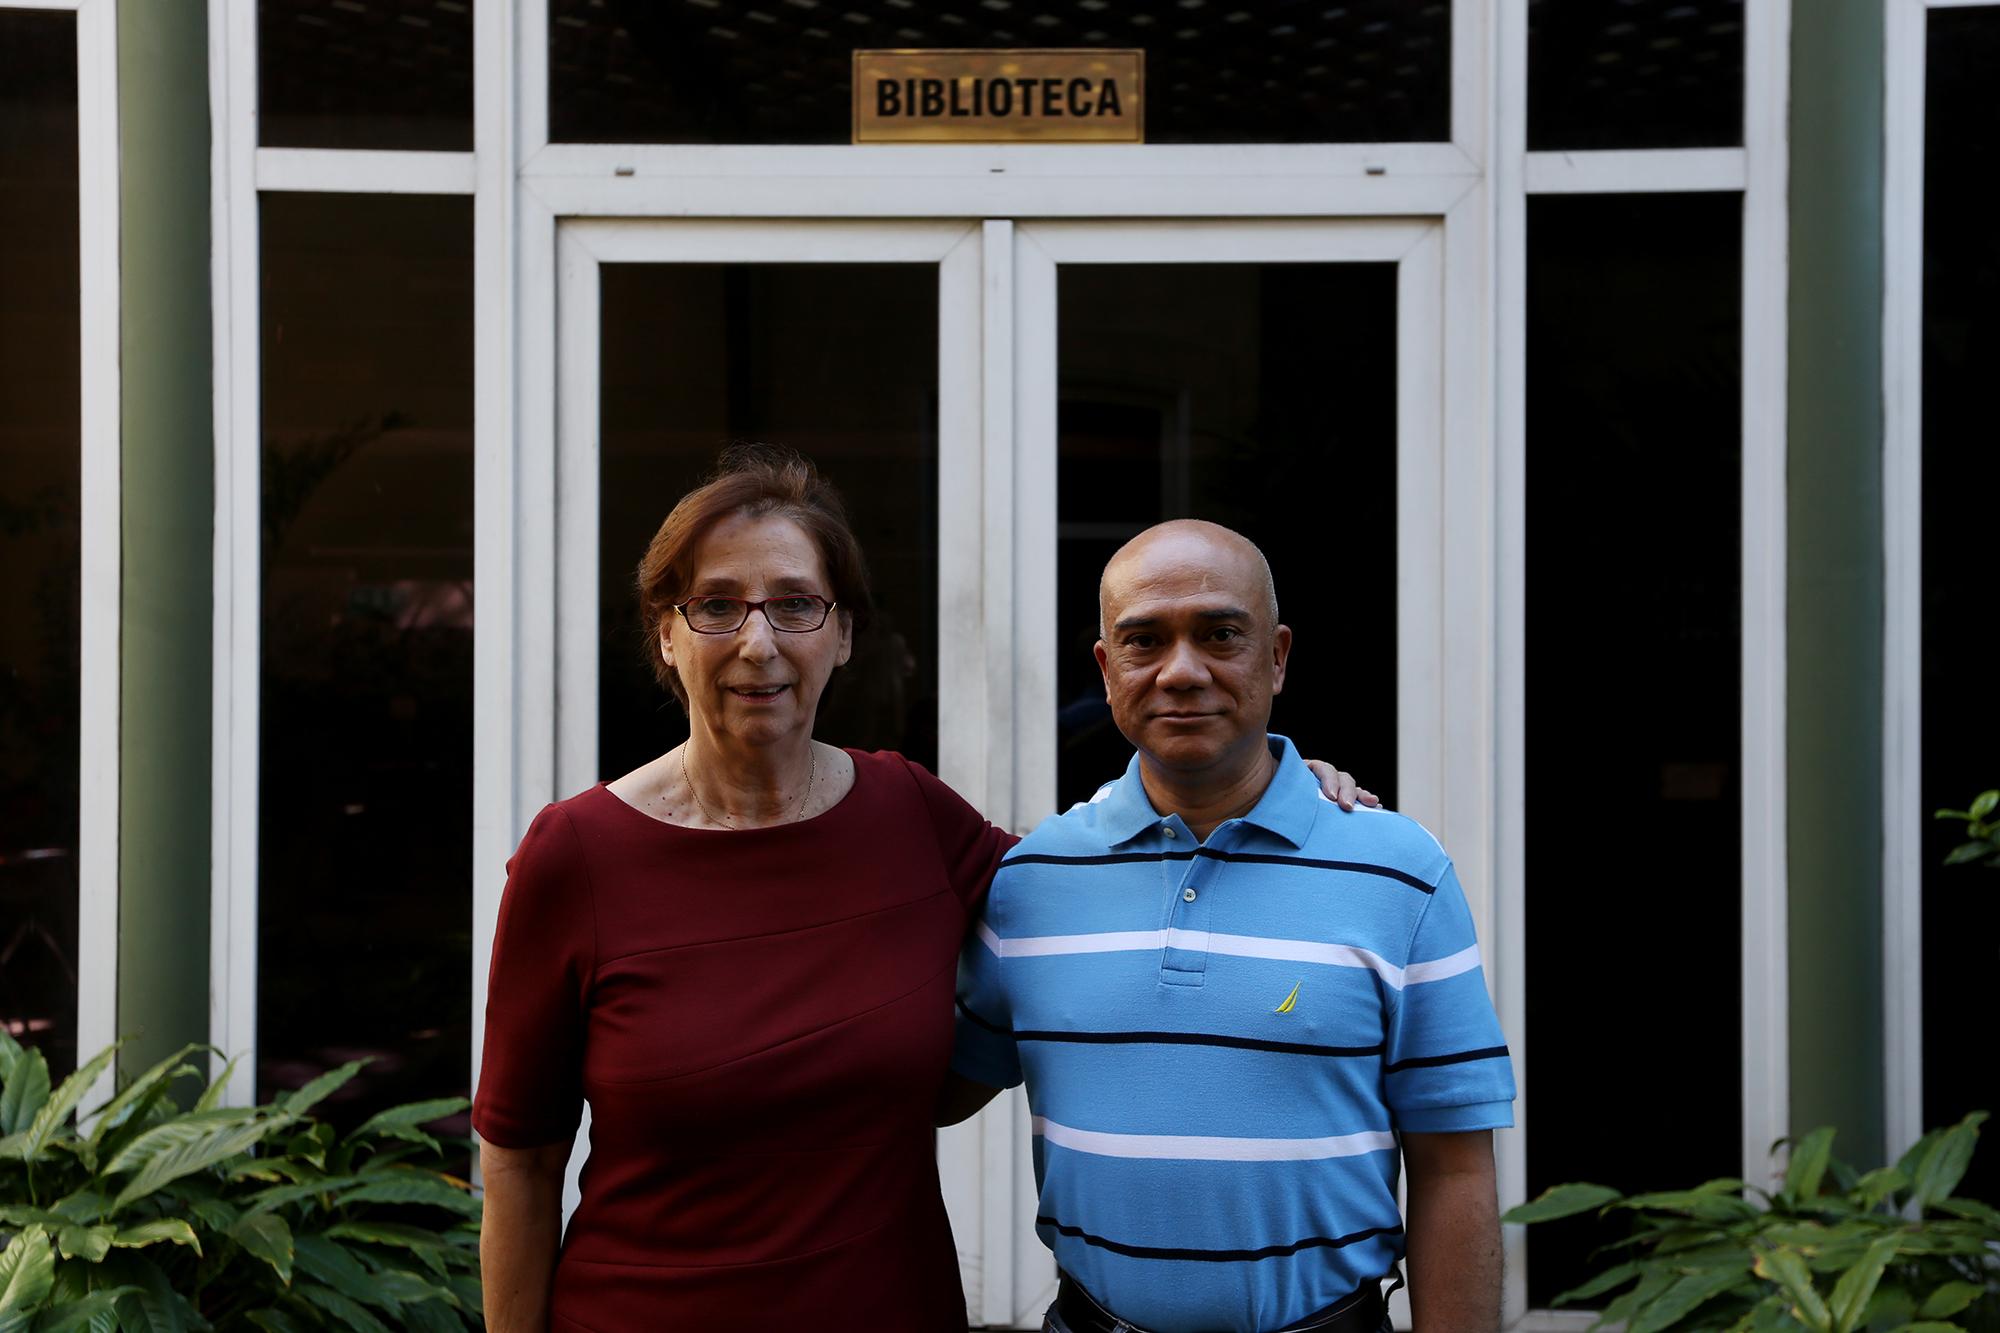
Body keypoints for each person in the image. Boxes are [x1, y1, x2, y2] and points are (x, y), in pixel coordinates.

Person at [472, 449, 1371, 1331]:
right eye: (716, 605)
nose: (759, 642)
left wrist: (1274, 785)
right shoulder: (577, 855)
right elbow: (521, 1158)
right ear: (666, 632)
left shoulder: (908, 813)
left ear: (845, 631)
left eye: (795, 603)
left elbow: (1110, 882)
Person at [946, 519, 1516, 1333]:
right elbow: (921, 1089)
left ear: (1276, 656)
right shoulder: (1032, 882)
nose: (1182, 671)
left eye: (1219, 633)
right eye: (1145, 640)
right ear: (1107, 671)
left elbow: (1454, 1167)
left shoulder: (1400, 871)